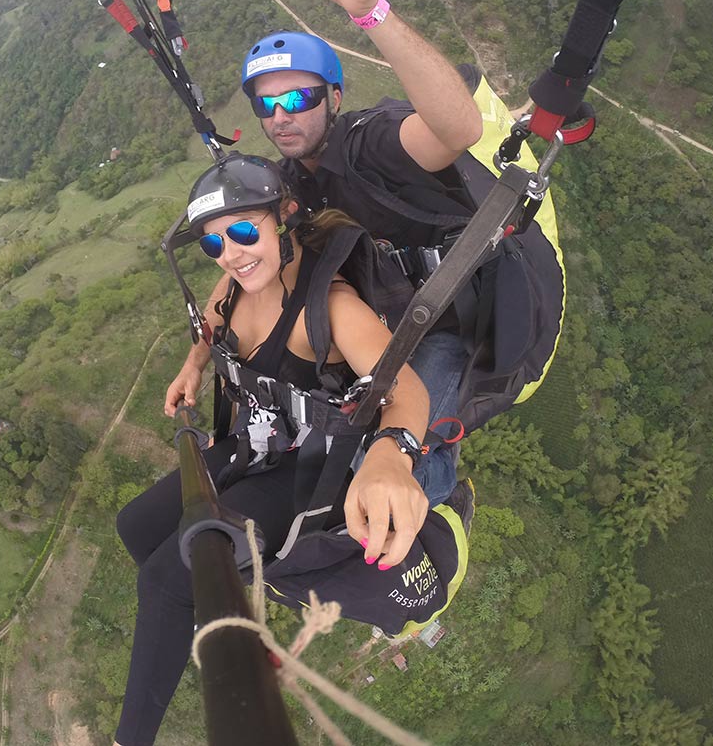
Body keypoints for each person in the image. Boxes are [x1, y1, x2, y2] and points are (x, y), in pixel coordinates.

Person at [115, 153, 468, 746]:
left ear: (284, 216)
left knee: (164, 579)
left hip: (303, 475)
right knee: (135, 526)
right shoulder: (236, 282)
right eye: (214, 245)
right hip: (250, 443)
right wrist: (194, 364)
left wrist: (387, 456)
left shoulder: (329, 308)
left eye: (246, 231)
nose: (231, 252)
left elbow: (406, 388)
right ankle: (202, 602)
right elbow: (210, 321)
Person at [166, 0, 485, 506]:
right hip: (370, 323)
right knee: (327, 447)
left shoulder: (372, 143)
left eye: (299, 97)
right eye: (267, 106)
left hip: (441, 324)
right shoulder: (283, 189)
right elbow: (236, 282)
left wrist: (369, 10)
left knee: (386, 453)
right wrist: (195, 361)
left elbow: (460, 127)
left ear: (334, 97)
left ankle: (440, 508)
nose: (281, 115)